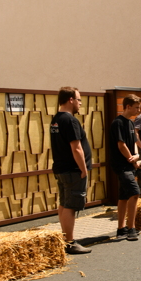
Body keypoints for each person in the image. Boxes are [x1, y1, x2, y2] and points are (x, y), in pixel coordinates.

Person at [50, 87, 92, 255]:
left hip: (61, 168)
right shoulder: (70, 120)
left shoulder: (56, 119)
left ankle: (65, 238)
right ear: (71, 100)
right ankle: (70, 242)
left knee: (64, 204)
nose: (80, 103)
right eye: (79, 99)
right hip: (73, 170)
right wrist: (83, 169)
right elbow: (77, 148)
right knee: (71, 206)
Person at [109, 95, 141, 241]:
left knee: (123, 196)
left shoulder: (130, 123)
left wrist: (136, 155)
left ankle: (121, 229)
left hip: (129, 164)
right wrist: (131, 158)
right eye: (136, 107)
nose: (138, 109)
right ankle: (131, 229)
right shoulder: (118, 123)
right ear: (128, 106)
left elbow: (134, 141)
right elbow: (121, 144)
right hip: (121, 165)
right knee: (135, 193)